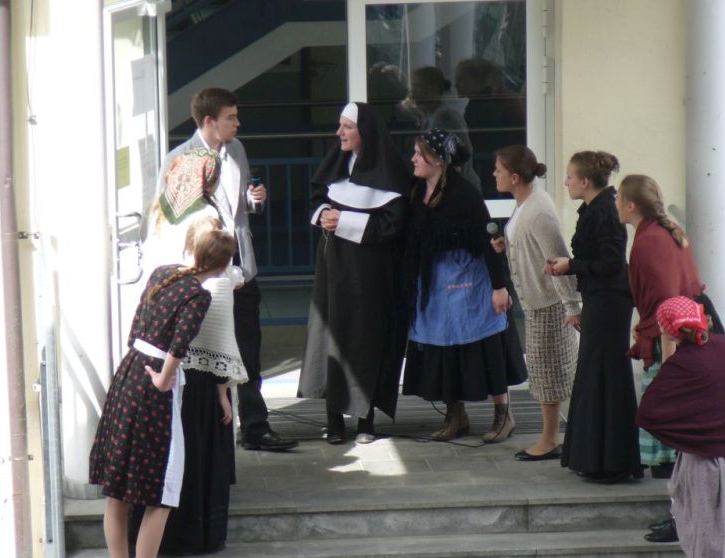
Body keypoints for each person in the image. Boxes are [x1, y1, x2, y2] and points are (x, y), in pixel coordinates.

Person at [89, 227, 236, 558]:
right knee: (162, 493)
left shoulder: (161, 274)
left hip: (128, 373)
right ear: (222, 266)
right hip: (153, 387)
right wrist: (164, 378)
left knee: (117, 494)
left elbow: (136, 329)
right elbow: (179, 344)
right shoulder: (198, 295)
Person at [158, 88, 297, 451]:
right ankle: (205, 431)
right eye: (231, 117)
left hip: (241, 267)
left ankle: (255, 425)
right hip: (203, 275)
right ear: (209, 121)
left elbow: (239, 210)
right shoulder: (179, 159)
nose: (238, 123)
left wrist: (254, 201)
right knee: (202, 353)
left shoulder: (236, 149)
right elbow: (170, 219)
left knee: (249, 348)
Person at [134, 150, 247, 555]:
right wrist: (222, 385)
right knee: (190, 454)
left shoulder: (161, 213)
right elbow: (215, 299)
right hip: (192, 365)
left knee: (160, 455)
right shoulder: (205, 221)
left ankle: (153, 542)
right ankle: (194, 536)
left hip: (154, 354)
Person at [298, 102, 411, 444]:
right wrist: (323, 215)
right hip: (332, 266)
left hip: (369, 270)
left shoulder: (391, 171)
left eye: (347, 127)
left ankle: (365, 419)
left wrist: (343, 221)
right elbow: (317, 196)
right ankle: (333, 420)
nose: (339, 133)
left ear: (366, 132)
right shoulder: (336, 161)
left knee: (365, 338)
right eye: (339, 126)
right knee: (331, 337)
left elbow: (392, 225)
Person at [403, 128, 526, 442]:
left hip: (469, 279)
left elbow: (489, 241)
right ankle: (455, 414)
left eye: (420, 153)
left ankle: (503, 414)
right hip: (435, 282)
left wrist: (500, 288)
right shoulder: (418, 191)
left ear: (439, 161)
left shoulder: (464, 195)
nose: (414, 158)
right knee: (444, 346)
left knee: (484, 344)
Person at [637, 296, 725, 558]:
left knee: (712, 533)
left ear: (670, 331)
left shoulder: (683, 363)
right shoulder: (723, 347)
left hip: (709, 461)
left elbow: (650, 410)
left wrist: (668, 352)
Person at [546, 151, 642, 482]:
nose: (567, 182)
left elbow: (612, 263)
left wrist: (571, 265)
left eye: (570, 177)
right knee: (596, 374)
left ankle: (611, 461)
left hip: (609, 301)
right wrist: (570, 265)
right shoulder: (596, 208)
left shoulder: (604, 211)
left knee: (605, 375)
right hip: (600, 298)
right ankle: (600, 458)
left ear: (585, 181)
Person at [491, 145, 580, 459]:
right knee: (544, 371)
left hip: (549, 302)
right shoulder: (524, 202)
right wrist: (509, 245)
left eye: (498, 170)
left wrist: (572, 306)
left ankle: (551, 438)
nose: (494, 174)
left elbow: (558, 256)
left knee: (549, 372)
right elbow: (528, 241)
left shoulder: (538, 210)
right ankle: (552, 435)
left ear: (515, 177)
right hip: (536, 300)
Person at [615, 174, 705, 481]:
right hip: (680, 328)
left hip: (670, 336)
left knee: (662, 407)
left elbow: (666, 300)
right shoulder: (667, 232)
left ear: (630, 205)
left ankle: (675, 501)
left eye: (618, 199)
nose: (616, 204)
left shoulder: (648, 242)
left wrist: (667, 353)